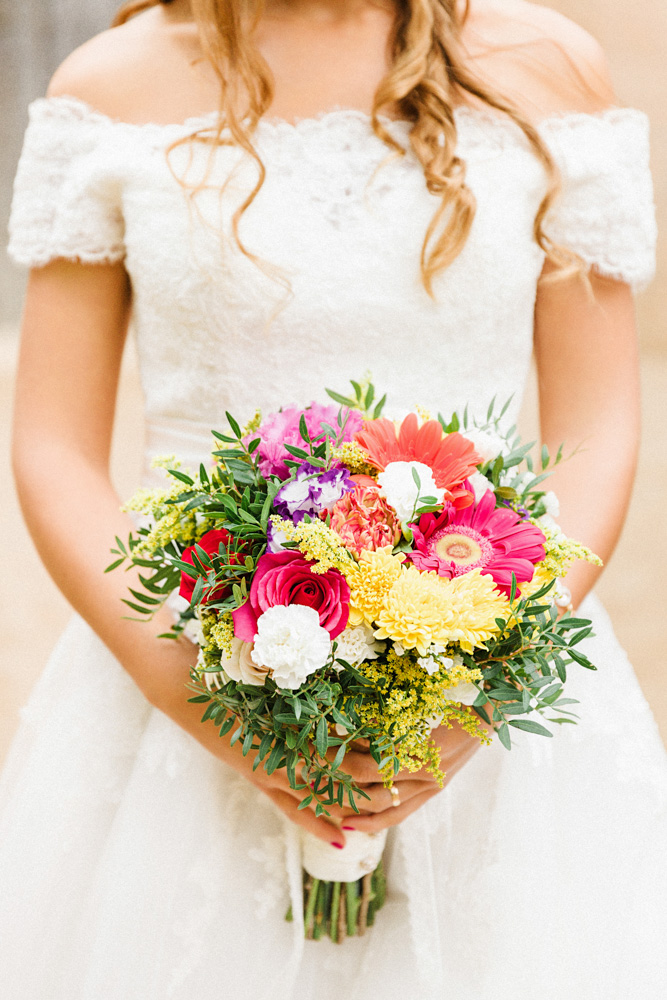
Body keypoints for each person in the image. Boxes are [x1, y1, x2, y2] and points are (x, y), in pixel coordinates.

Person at [1, 0, 665, 996]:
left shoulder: (547, 70)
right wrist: (212, 709)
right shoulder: (111, 89)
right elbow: (54, 447)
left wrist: (466, 701)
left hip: (492, 694)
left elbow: (598, 429)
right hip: (181, 676)